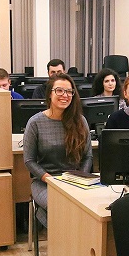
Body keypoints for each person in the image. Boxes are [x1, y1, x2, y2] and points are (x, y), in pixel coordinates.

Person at [23, 73, 92, 227]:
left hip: (75, 181)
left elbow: (88, 156)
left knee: (90, 206)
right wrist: (50, 179)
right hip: (45, 182)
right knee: (61, 205)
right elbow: (29, 160)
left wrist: (81, 179)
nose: (65, 95)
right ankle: (61, 239)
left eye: (69, 91)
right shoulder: (35, 122)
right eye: (59, 90)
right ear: (50, 93)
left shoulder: (80, 121)